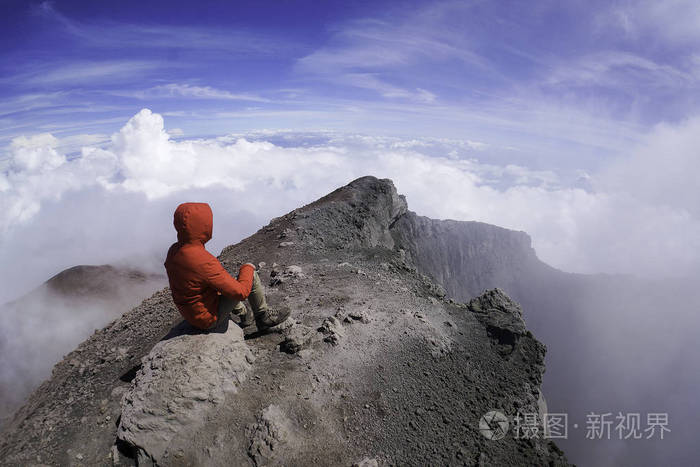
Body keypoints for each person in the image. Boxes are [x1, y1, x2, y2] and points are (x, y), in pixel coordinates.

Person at [164, 202, 290, 331]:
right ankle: (263, 317)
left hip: (191, 313)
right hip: (207, 319)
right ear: (203, 226)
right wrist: (248, 268)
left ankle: (244, 315)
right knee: (248, 273)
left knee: (219, 283)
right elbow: (241, 293)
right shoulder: (202, 260)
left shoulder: (174, 250)